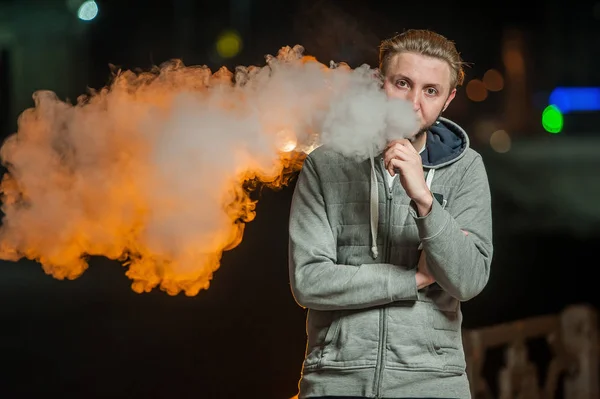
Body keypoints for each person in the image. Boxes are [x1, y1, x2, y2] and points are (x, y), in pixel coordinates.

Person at [288, 29, 493, 399]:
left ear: (448, 100)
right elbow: (309, 281)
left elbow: (468, 280)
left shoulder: (467, 168)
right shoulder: (326, 165)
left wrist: (425, 200)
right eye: (402, 83)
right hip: (335, 379)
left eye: (431, 91)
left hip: (433, 383)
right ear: (379, 84)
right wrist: (413, 279)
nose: (413, 102)